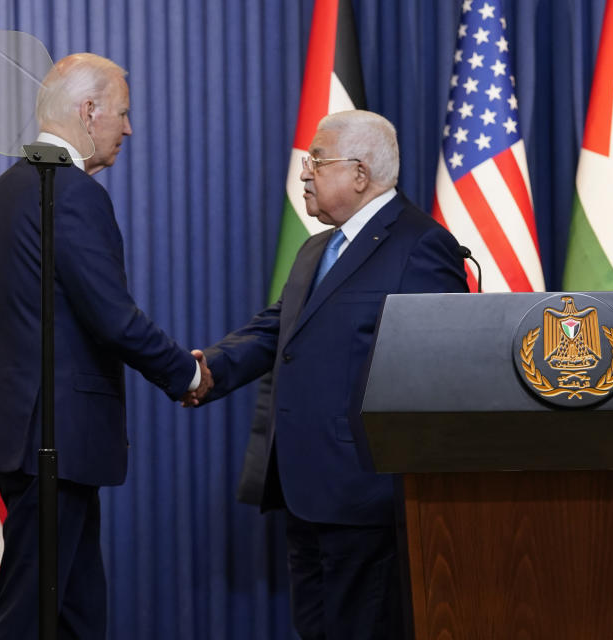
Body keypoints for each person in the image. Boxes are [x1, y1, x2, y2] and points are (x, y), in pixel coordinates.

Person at [186, 110, 469, 639]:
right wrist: (209, 370)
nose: (304, 173)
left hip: (366, 493)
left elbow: (442, 369)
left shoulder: (422, 246)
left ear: (360, 174)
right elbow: (278, 330)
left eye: (316, 161)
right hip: (304, 490)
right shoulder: (318, 247)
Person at [0, 53, 212, 640]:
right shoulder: (70, 193)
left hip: (21, 431)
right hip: (54, 435)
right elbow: (114, 318)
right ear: (88, 111)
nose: (128, 128)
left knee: (76, 606)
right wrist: (187, 373)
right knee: (27, 613)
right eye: (123, 114)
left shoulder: (5, 190)